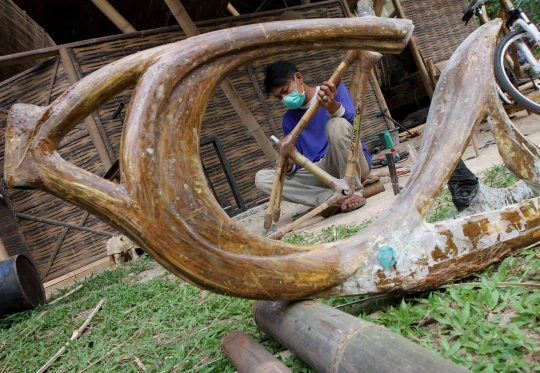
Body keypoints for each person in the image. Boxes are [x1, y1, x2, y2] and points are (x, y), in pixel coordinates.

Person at [255, 61, 372, 215]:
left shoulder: (334, 90)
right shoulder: (288, 120)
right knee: (262, 179)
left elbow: (355, 130)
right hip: (321, 173)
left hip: (352, 163)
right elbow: (300, 159)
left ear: (299, 78)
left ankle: (352, 192)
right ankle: (329, 198)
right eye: (279, 97)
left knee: (337, 125)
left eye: (286, 90)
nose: (285, 99)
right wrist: (289, 163)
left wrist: (333, 108)